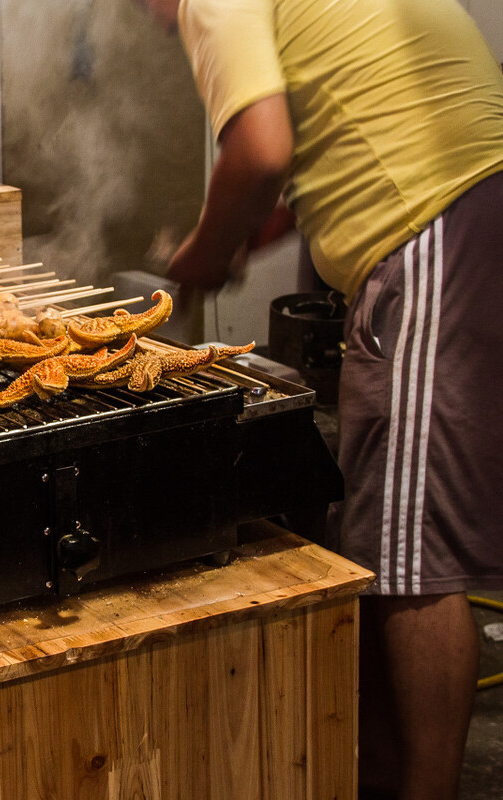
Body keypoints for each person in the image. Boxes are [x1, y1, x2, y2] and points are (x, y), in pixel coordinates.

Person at [136, 1, 503, 798]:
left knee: (412, 555)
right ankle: (378, 772)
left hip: (433, 226)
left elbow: (262, 149)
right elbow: (340, 138)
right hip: (460, 216)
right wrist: (241, 238)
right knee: (386, 535)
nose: (160, 24)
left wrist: (199, 256)